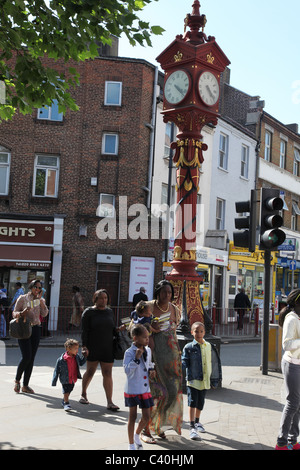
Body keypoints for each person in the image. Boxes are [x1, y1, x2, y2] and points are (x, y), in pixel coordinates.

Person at [141, 280, 182, 443]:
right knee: (154, 393)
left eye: (170, 292)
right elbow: (134, 328)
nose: (167, 295)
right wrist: (150, 328)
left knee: (172, 392)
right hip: (153, 356)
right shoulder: (147, 306)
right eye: (164, 292)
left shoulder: (175, 309)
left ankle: (158, 425)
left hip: (171, 357)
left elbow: (174, 332)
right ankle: (146, 428)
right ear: (158, 292)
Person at [80, 289, 120, 410]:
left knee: (107, 373)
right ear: (95, 299)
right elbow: (84, 331)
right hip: (93, 346)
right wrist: (84, 346)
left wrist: (119, 329)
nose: (104, 300)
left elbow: (112, 328)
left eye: (106, 298)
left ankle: (110, 402)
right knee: (90, 371)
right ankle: (83, 393)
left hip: (107, 347)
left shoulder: (109, 312)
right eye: (101, 298)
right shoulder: (88, 312)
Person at [182, 322, 220, 440]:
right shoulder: (188, 347)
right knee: (192, 402)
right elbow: (184, 362)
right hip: (193, 380)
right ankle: (192, 426)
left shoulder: (209, 345)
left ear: (205, 332)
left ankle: (198, 422)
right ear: (191, 332)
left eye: (201, 331)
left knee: (200, 402)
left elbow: (213, 363)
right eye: (196, 331)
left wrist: (215, 378)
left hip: (205, 380)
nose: (199, 334)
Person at [13, 279, 48, 393]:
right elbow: (14, 313)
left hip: (36, 328)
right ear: (31, 287)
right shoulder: (23, 298)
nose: (37, 289)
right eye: (36, 287)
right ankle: (17, 380)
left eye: (40, 288)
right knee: (26, 357)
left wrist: (42, 304)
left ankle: (25, 385)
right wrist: (22, 312)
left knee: (31, 358)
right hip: (24, 328)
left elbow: (44, 314)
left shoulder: (40, 300)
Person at [123, 323, 156, 450]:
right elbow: (127, 371)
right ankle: (131, 443)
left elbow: (148, 363)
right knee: (132, 417)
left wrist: (151, 370)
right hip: (133, 388)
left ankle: (137, 434)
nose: (147, 339)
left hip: (145, 388)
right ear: (135, 338)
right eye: (144, 337)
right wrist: (136, 359)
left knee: (146, 416)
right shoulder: (129, 352)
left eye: (148, 337)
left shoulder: (148, 350)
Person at [275, 289, 300, 450]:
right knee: (292, 403)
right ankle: (281, 442)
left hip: (298, 363)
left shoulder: (298, 317)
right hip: (292, 364)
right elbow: (287, 345)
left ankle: (293, 439)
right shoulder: (291, 319)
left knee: (298, 403)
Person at [52, 338, 88, 411]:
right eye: (75, 349)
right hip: (65, 378)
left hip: (73, 378)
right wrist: (54, 380)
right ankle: (66, 403)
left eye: (77, 348)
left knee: (70, 389)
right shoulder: (61, 360)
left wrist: (85, 356)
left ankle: (64, 400)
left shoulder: (76, 356)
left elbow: (81, 363)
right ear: (68, 349)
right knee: (66, 391)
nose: (77, 350)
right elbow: (56, 370)